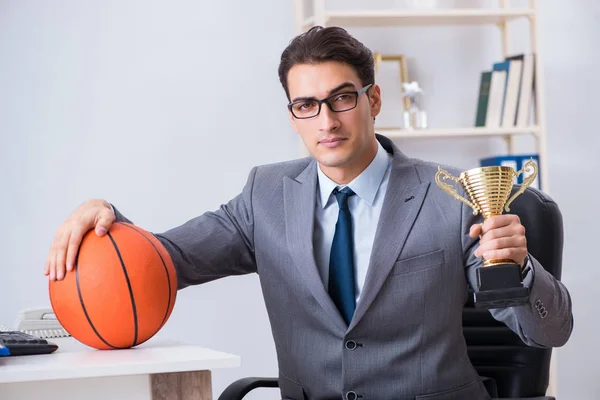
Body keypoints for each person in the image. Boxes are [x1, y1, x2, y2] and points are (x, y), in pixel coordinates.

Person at [44, 26, 573, 400]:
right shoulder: (264, 196)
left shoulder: (451, 196)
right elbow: (167, 260)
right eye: (307, 105)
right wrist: (107, 217)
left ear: (375, 100)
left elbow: (547, 332)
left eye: (343, 98)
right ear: (293, 116)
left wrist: (521, 271)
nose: (327, 120)